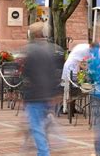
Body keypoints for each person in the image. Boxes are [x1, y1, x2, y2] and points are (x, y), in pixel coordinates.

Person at [22, 22, 61, 156]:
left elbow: (27, 74)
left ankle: (44, 153)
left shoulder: (30, 50)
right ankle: (42, 150)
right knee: (42, 126)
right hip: (47, 94)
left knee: (36, 127)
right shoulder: (51, 49)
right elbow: (54, 72)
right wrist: (54, 93)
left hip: (35, 95)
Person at [61, 42, 99, 114]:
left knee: (74, 88)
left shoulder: (86, 47)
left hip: (73, 68)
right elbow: (81, 64)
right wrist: (89, 70)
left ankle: (71, 108)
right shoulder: (84, 50)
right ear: (92, 47)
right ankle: (69, 107)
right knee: (76, 87)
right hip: (72, 69)